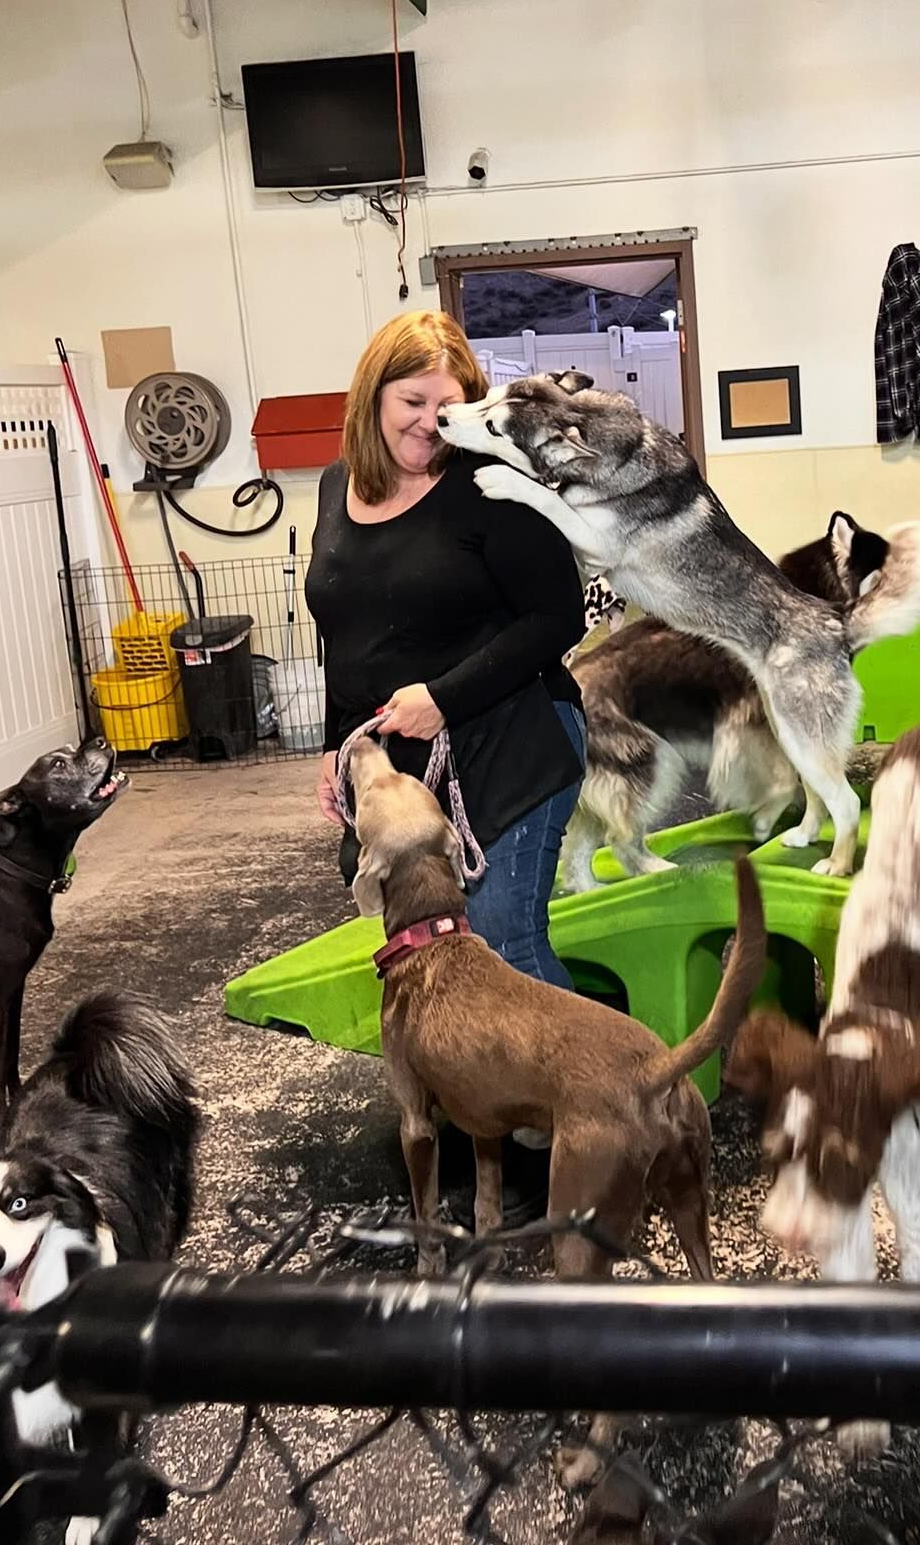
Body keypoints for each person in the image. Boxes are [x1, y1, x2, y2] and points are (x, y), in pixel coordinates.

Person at [306, 311, 587, 1218]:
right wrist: (336, 747)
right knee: (428, 959)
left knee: (501, 941)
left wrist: (445, 696)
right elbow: (338, 637)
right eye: (412, 400)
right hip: (401, 766)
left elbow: (557, 619)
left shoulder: (491, 485)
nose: (430, 420)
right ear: (372, 399)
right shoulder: (331, 489)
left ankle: (607, 1116)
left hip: (512, 738)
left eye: (450, 402)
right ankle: (501, 1119)